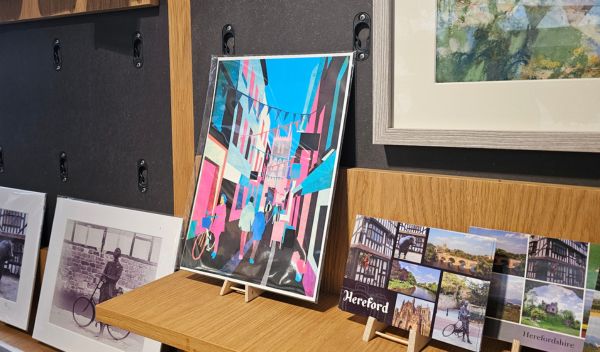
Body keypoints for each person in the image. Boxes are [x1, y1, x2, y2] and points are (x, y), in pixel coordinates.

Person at [96, 248, 123, 337]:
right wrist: (102, 278)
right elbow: (103, 274)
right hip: (103, 288)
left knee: (105, 311)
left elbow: (116, 278)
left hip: (110, 290)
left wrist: (106, 276)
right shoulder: (109, 263)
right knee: (100, 308)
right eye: (114, 252)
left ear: (118, 256)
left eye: (117, 253)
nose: (115, 255)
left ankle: (101, 333)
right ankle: (100, 331)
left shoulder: (120, 267)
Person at [210, 194, 228, 259]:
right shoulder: (218, 206)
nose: (221, 199)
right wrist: (211, 215)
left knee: (217, 238)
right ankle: (210, 243)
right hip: (215, 223)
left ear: (224, 200)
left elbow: (224, 216)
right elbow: (214, 211)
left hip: (219, 225)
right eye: (220, 198)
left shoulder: (224, 207)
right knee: (213, 234)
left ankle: (215, 252)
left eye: (222, 199)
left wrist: (218, 217)